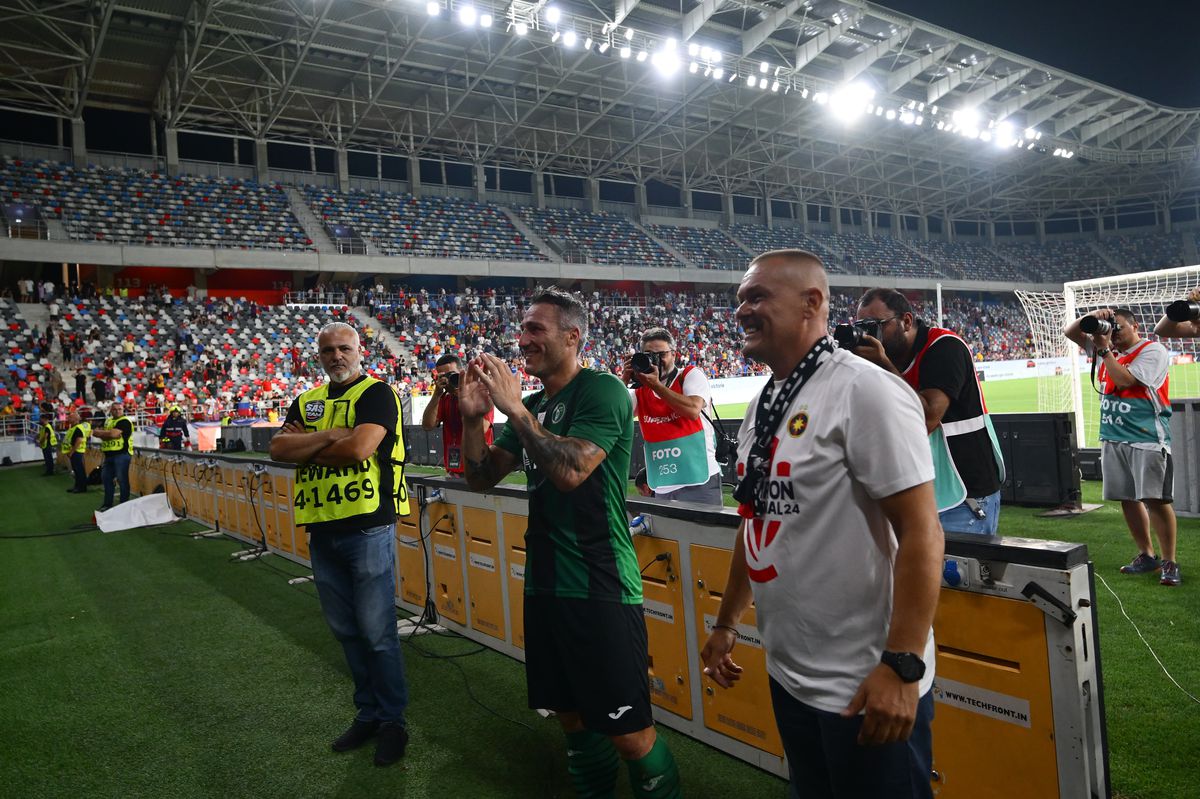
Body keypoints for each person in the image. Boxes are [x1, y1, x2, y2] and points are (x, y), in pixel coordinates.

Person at [700, 251, 943, 799]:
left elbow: (923, 531)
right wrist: (726, 623)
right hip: (791, 675)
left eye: (757, 296)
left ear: (812, 303)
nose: (741, 310)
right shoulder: (767, 399)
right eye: (740, 299)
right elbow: (755, 520)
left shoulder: (866, 390)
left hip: (864, 685)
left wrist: (902, 665)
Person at [460, 286, 681, 799]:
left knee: (629, 735)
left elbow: (572, 470)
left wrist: (514, 410)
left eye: (536, 328)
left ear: (572, 335)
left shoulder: (601, 391)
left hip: (599, 583)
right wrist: (475, 420)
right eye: (523, 328)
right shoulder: (536, 404)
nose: (524, 339)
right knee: (573, 722)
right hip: (545, 584)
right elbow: (481, 477)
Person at [269, 322, 412, 767]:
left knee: (377, 632)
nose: (336, 356)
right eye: (328, 350)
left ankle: (392, 722)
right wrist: (333, 435)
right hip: (322, 529)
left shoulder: (376, 393)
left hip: (368, 525)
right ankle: (368, 714)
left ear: (360, 350)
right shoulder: (308, 400)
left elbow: (359, 450)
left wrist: (309, 445)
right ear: (318, 355)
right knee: (347, 631)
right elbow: (277, 450)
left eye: (344, 348)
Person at [850, 288, 1005, 535]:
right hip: (919, 489)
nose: (870, 334)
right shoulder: (886, 358)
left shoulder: (945, 347)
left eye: (877, 325)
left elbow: (927, 418)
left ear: (906, 321)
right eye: (862, 325)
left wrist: (883, 366)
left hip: (964, 493)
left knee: (955, 572)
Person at [1067, 307, 1179, 586]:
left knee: (1155, 500)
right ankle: (1147, 555)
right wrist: (1094, 317)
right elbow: (1071, 331)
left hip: (1146, 437)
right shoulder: (1105, 348)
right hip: (1113, 436)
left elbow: (1126, 380)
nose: (1113, 333)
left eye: (1118, 327)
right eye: (1109, 328)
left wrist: (1105, 351)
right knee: (1126, 498)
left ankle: (1169, 561)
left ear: (1135, 326)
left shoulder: (1153, 351)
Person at [622, 327, 723, 506]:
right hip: (662, 483)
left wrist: (655, 386)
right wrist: (623, 380)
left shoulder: (690, 375)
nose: (656, 360)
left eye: (661, 354)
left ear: (674, 354)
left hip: (699, 479)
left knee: (702, 534)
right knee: (666, 534)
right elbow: (614, 415)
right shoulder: (640, 390)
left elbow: (692, 410)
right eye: (649, 355)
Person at [420, 354, 492, 477]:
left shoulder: (479, 396)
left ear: (462, 372)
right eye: (443, 376)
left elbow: (482, 429)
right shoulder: (444, 399)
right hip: (453, 471)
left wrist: (462, 396)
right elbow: (427, 425)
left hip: (479, 470)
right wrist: (436, 395)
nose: (448, 379)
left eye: (452, 374)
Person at [92, 401, 134, 512]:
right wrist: (106, 434)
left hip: (122, 454)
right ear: (111, 410)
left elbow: (111, 434)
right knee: (106, 479)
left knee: (122, 480)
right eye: (115, 409)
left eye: (120, 409)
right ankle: (107, 504)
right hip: (109, 455)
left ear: (123, 409)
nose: (117, 411)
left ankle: (124, 505)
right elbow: (101, 434)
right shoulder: (109, 421)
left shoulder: (124, 421)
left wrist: (103, 433)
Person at [64, 409, 91, 493]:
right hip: (75, 452)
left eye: (70, 417)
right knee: (77, 470)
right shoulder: (74, 428)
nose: (68, 419)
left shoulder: (78, 428)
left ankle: (81, 487)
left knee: (79, 470)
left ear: (75, 419)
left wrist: (71, 452)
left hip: (77, 452)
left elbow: (79, 441)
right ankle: (77, 486)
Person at [37, 403, 58, 476]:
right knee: (48, 458)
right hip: (46, 444)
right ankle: (49, 471)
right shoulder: (45, 426)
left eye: (41, 419)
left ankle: (50, 471)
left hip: (47, 444)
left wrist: (40, 442)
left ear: (44, 419)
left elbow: (45, 436)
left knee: (48, 458)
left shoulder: (47, 427)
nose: (40, 420)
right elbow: (42, 434)